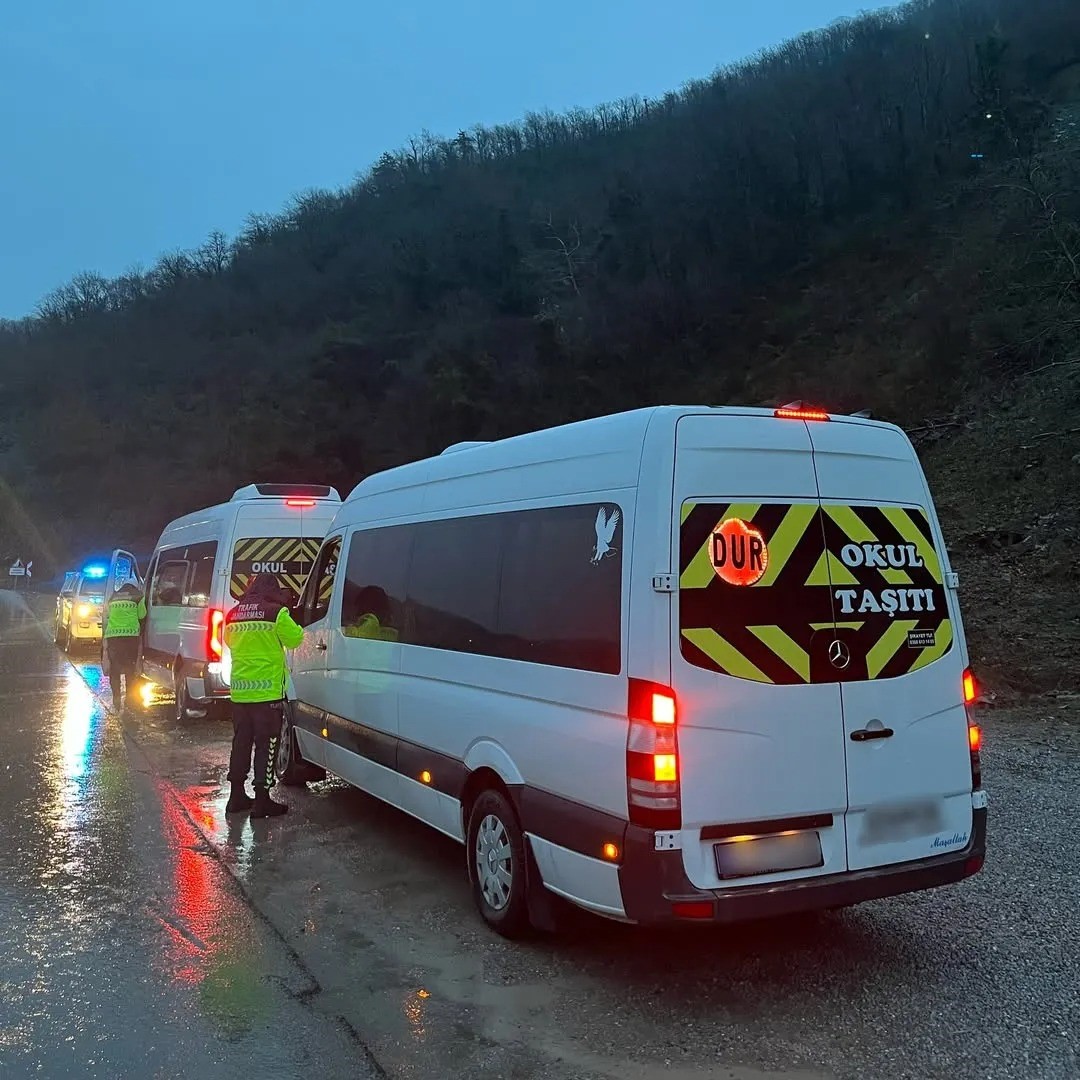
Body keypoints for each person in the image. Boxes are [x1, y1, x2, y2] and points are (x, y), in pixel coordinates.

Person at [223, 574, 304, 818]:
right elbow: (296, 639)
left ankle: (236, 795)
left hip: (240, 693)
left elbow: (229, 642)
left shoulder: (233, 614)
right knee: (267, 744)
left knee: (241, 742)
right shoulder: (276, 613)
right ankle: (261, 800)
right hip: (266, 693)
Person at [102, 580, 146, 713]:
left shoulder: (113, 596)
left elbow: (107, 615)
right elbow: (142, 615)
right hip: (130, 637)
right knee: (130, 670)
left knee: (114, 670)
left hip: (113, 638)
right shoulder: (138, 596)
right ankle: (129, 701)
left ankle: (116, 697)